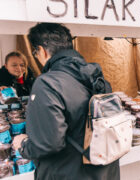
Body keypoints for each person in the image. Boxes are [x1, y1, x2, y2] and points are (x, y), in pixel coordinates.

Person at [12, 23, 119, 180]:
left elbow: (49, 143)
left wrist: (23, 144)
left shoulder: (47, 83)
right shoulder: (97, 77)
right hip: (105, 171)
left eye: (35, 52)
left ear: (41, 50)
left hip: (69, 173)